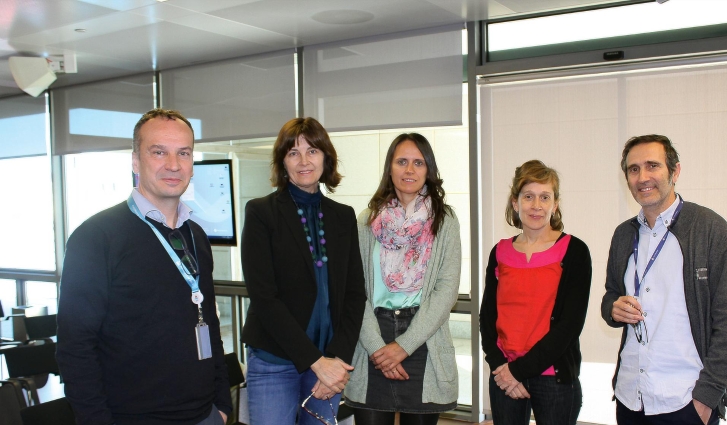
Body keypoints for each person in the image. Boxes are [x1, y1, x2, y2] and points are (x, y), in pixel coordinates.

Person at [57, 108, 231, 425]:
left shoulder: (196, 235)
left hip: (204, 414)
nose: (174, 165)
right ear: (136, 160)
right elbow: (75, 347)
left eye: (184, 153)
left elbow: (208, 325)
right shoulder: (96, 237)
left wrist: (221, 403)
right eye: (159, 152)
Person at [601, 134, 727, 425]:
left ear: (675, 171)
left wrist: (706, 399)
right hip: (631, 397)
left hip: (686, 401)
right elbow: (611, 295)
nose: (643, 177)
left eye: (652, 166)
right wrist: (612, 308)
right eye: (633, 169)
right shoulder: (623, 235)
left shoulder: (710, 230)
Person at [240, 117, 366, 424]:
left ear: (326, 157)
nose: (304, 161)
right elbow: (264, 297)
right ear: (283, 161)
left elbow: (354, 294)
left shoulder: (342, 216)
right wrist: (316, 362)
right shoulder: (260, 213)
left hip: (329, 361)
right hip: (274, 360)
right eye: (293, 153)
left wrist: (335, 360)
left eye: (312, 151)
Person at [344, 133, 461, 425]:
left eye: (418, 162)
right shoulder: (365, 220)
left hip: (423, 338)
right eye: (402, 161)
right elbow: (355, 291)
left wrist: (404, 346)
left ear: (428, 170)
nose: (410, 170)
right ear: (390, 168)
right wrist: (378, 348)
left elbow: (446, 290)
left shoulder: (445, 220)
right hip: (373, 339)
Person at [480, 160, 592, 425]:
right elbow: (487, 317)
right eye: (528, 196)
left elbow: (570, 325)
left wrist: (518, 371)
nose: (537, 205)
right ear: (515, 203)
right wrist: (500, 368)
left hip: (554, 379)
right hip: (504, 375)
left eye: (545, 197)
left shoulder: (574, 251)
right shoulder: (500, 252)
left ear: (555, 204)